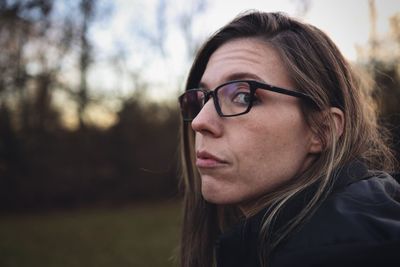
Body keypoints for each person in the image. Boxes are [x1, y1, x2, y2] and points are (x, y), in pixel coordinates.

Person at [177, 11, 400, 267]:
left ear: (322, 130)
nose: (199, 122)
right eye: (203, 98)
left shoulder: (347, 254)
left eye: (244, 96)